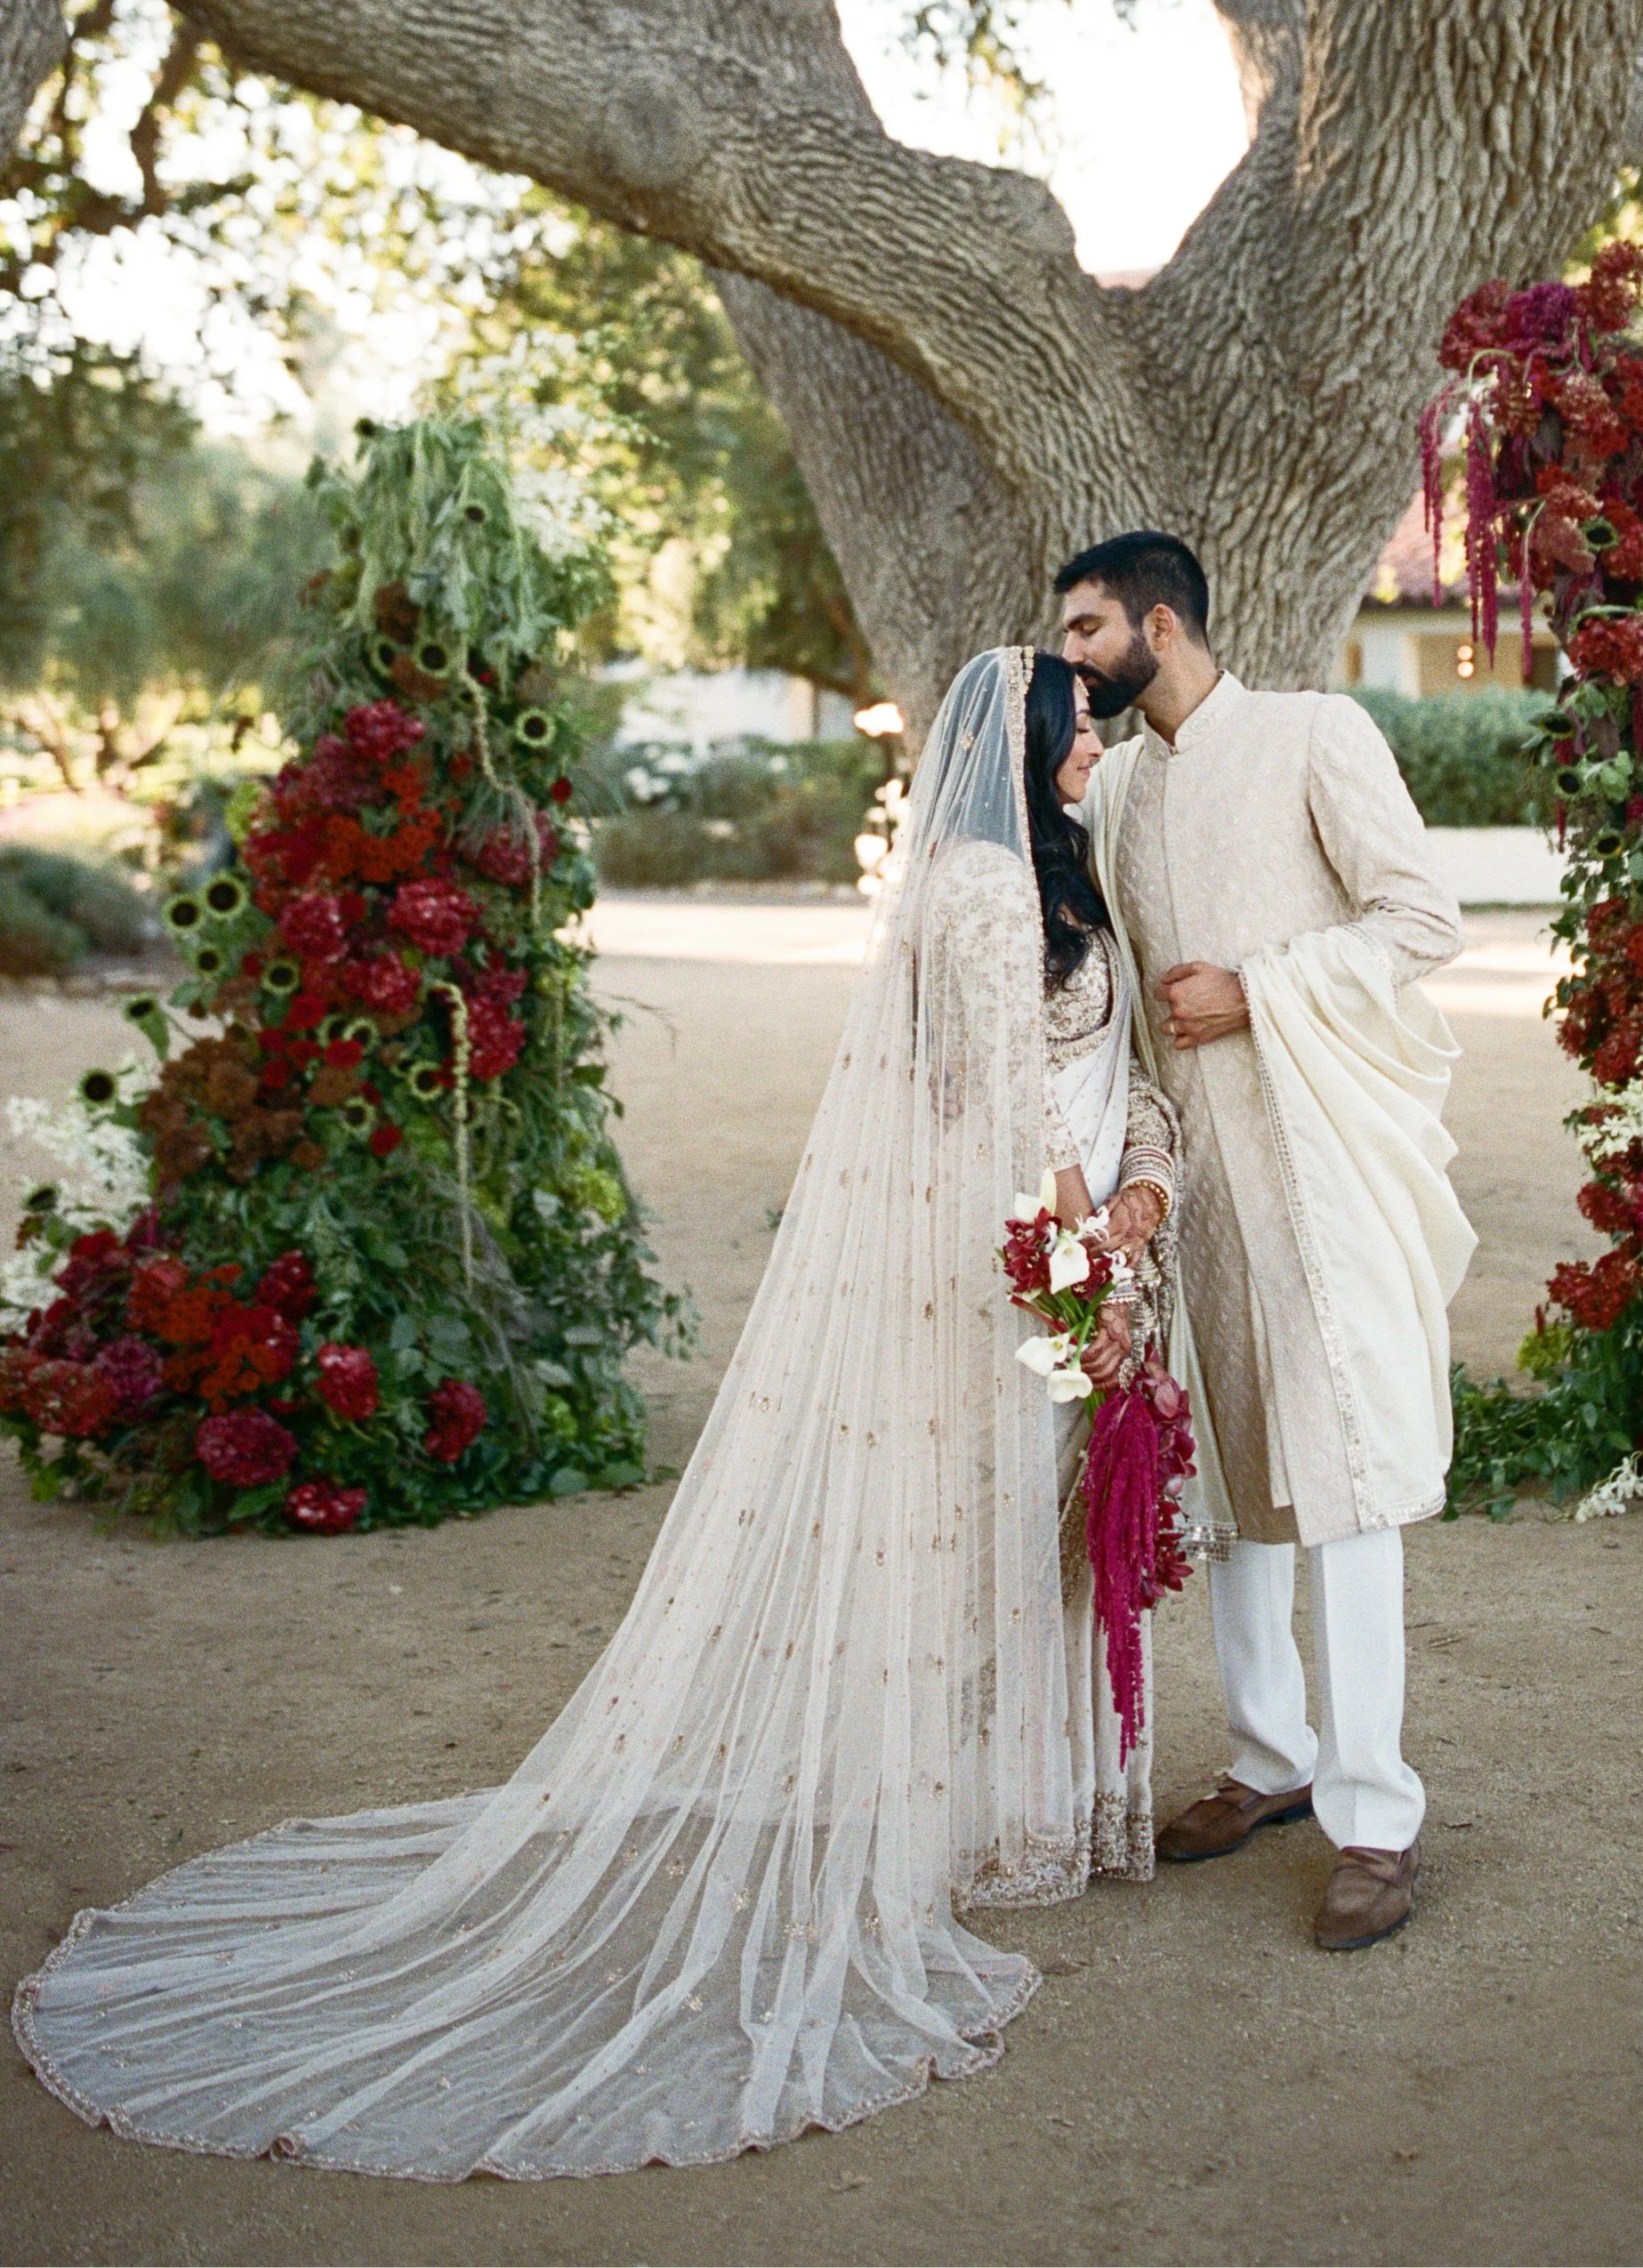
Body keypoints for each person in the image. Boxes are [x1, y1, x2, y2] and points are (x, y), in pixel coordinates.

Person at [13, 646, 1180, 2180]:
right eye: (1077, 729)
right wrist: (1082, 1258)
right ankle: (932, 1819)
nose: (1091, 748)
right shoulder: (974, 884)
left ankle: (1018, 1811)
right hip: (999, 1241)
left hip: (1071, 1232)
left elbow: (1108, 1069)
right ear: (1022, 745)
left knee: (1025, 1511)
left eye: (1094, 728)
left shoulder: (1069, 877)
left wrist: (1139, 1212)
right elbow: (1012, 1094)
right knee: (954, 1510)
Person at [1059, 531, 1473, 1952]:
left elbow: (1423, 918)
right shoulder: (1114, 786)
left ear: (1158, 624)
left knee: (1342, 1473)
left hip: (1317, 1163)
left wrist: (1261, 987)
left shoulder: (1313, 732)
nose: (1072, 654)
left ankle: (1374, 1816)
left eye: (1087, 627)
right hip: (1193, 1193)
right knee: (1228, 1466)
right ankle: (1270, 1755)